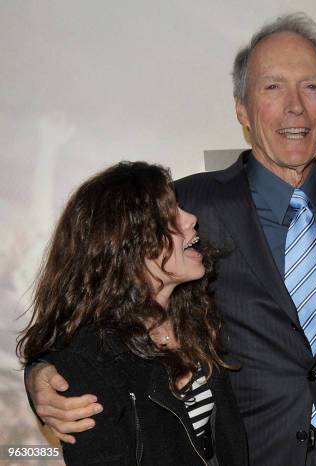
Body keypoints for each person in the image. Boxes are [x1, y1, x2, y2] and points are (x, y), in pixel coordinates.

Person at [25, 13, 316, 466]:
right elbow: (98, 301)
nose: (295, 106)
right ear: (241, 109)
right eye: (273, 87)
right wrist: (42, 374)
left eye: (312, 86)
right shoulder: (190, 206)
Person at [18, 162, 248, 465]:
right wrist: (39, 372)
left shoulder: (196, 316)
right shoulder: (87, 360)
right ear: (128, 245)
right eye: (169, 217)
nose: (191, 218)